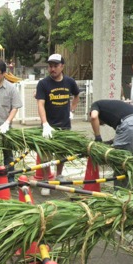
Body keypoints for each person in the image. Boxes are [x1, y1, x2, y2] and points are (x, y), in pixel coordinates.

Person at [35, 53, 80, 195]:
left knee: (61, 153)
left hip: (65, 125)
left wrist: (72, 109)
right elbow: (40, 104)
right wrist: (45, 124)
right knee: (46, 155)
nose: (52, 69)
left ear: (62, 66)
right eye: (50, 66)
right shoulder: (43, 84)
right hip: (49, 126)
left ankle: (59, 175)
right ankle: (46, 180)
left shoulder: (69, 82)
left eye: (55, 66)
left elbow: (77, 95)